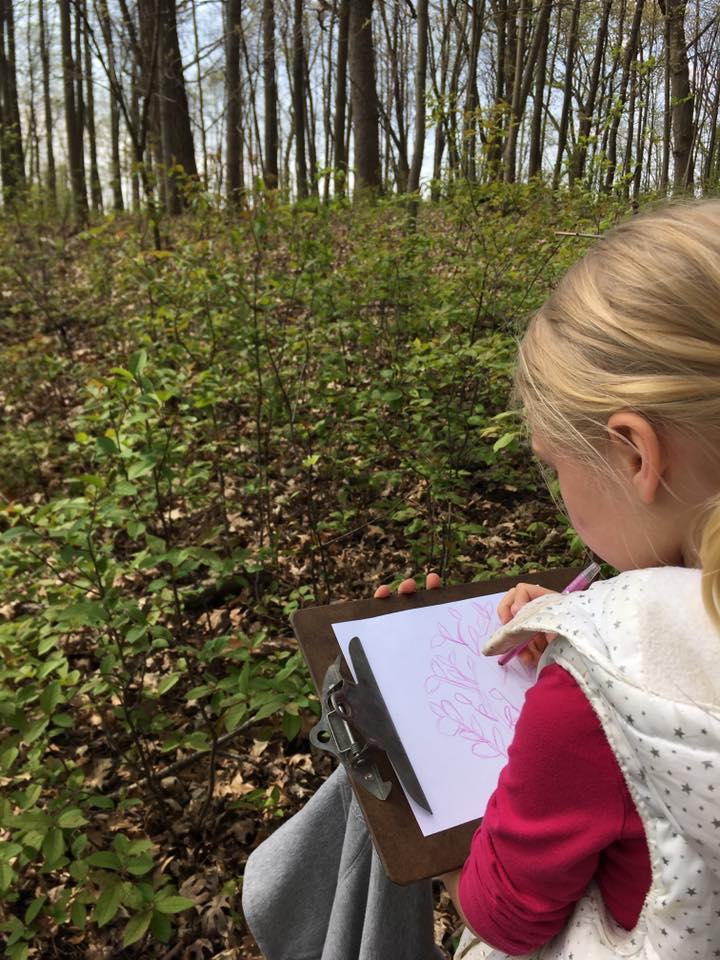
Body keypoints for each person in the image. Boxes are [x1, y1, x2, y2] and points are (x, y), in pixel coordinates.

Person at [243, 200, 720, 959]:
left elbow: (504, 913)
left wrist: (577, 673)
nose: (556, 492)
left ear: (634, 454)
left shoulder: (589, 693)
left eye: (552, 465)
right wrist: (585, 614)